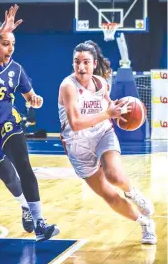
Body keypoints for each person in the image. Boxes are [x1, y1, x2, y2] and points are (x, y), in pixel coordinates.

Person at [0, 4, 59, 241]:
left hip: (6, 123)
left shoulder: (17, 70)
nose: (10, 48)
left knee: (24, 164)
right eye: (5, 43)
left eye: (13, 44)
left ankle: (40, 224)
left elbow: (29, 97)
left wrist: (35, 100)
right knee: (10, 177)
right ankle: (24, 206)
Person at [58, 40, 156, 245]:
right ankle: (145, 223)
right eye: (76, 62)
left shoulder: (101, 83)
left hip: (102, 134)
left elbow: (107, 105)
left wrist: (117, 109)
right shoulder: (68, 86)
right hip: (78, 146)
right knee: (110, 196)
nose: (81, 67)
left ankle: (133, 193)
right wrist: (107, 113)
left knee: (114, 175)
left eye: (86, 62)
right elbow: (75, 124)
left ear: (94, 64)